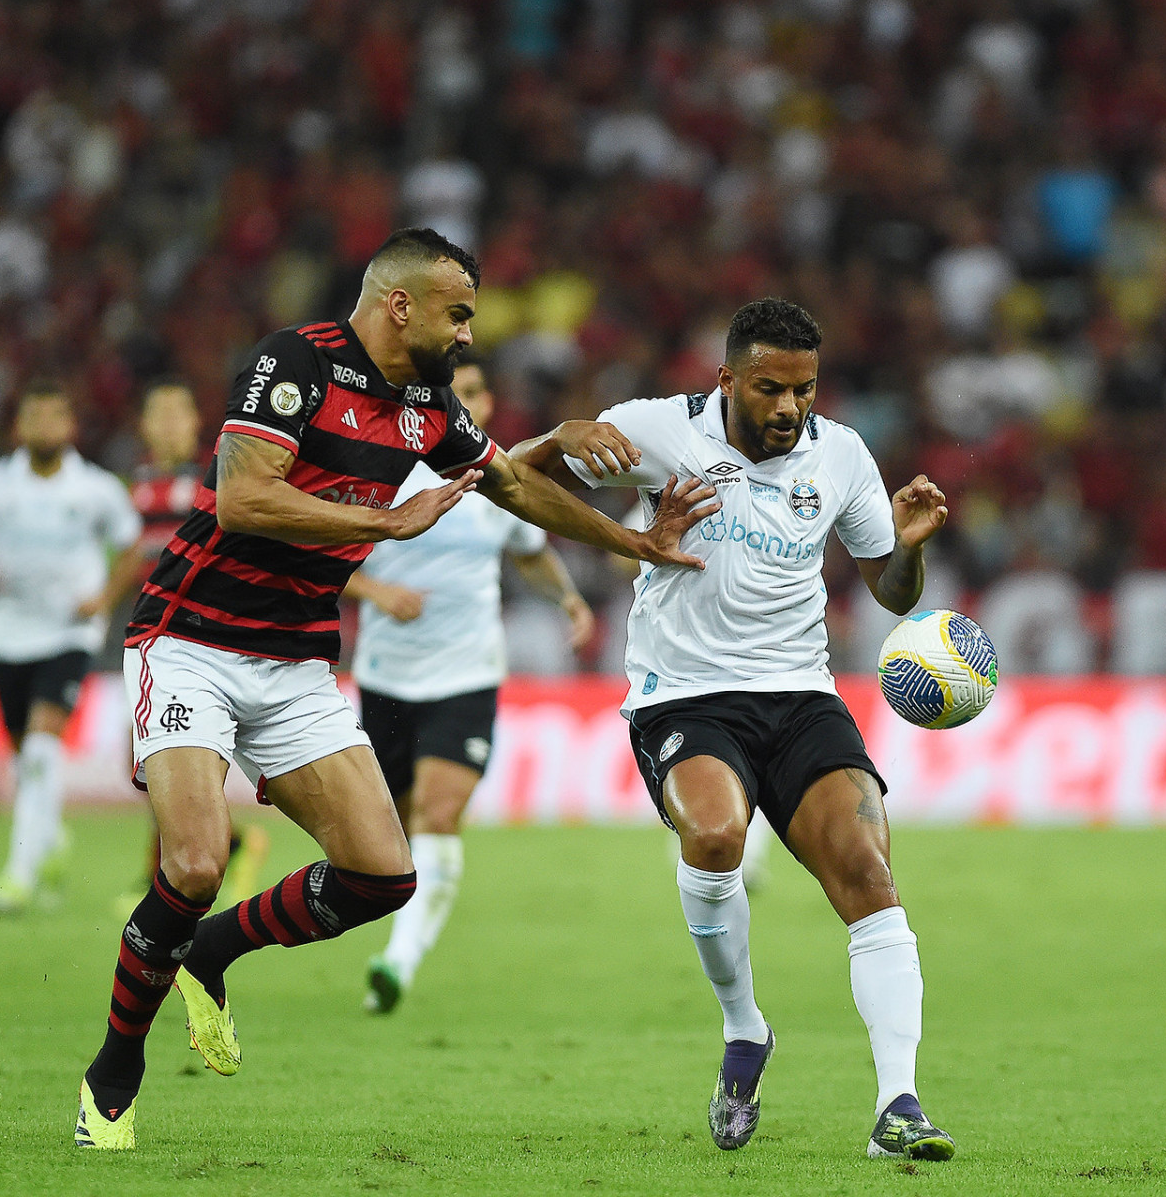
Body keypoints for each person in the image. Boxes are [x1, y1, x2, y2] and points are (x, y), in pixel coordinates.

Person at [74, 228, 714, 1149]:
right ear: (399, 303)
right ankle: (113, 1077)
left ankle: (211, 954)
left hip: (296, 661)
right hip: (191, 640)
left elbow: (510, 485)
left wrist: (637, 543)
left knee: (384, 875)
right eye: (457, 315)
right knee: (195, 865)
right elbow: (246, 497)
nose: (465, 335)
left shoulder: (427, 403)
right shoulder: (293, 362)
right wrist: (385, 517)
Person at [512, 297, 956, 1161]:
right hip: (683, 695)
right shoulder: (658, 432)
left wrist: (906, 548)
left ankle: (898, 1107)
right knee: (714, 837)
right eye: (770, 388)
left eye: (805, 389)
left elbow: (891, 591)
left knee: (869, 871)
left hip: (800, 696)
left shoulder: (842, 455)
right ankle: (744, 1027)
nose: (790, 408)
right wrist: (564, 436)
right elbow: (512, 480)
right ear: (726, 381)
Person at [344, 359, 596, 1014]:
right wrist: (374, 589)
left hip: (468, 676)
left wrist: (568, 599)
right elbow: (320, 553)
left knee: (439, 813)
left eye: (481, 392)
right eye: (462, 392)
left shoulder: (495, 481)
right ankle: (400, 931)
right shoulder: (383, 473)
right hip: (386, 678)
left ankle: (398, 963)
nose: (472, 402)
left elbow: (531, 548)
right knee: (390, 837)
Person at [0, 382, 145, 914]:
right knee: (24, 754)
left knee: (39, 748)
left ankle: (19, 874)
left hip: (67, 634)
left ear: (70, 427)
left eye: (55, 417)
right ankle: (51, 838)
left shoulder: (97, 488)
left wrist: (102, 597)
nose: (44, 428)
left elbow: (133, 548)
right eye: (34, 417)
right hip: (5, 633)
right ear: (19, 427)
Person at [112, 380, 269, 916]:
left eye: (178, 412)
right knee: (148, 763)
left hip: (201, 639)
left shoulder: (216, 474)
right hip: (148, 637)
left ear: (194, 421)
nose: (169, 424)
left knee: (173, 758)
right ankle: (225, 846)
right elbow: (128, 559)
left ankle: (170, 871)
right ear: (145, 425)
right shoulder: (133, 487)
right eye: (158, 413)